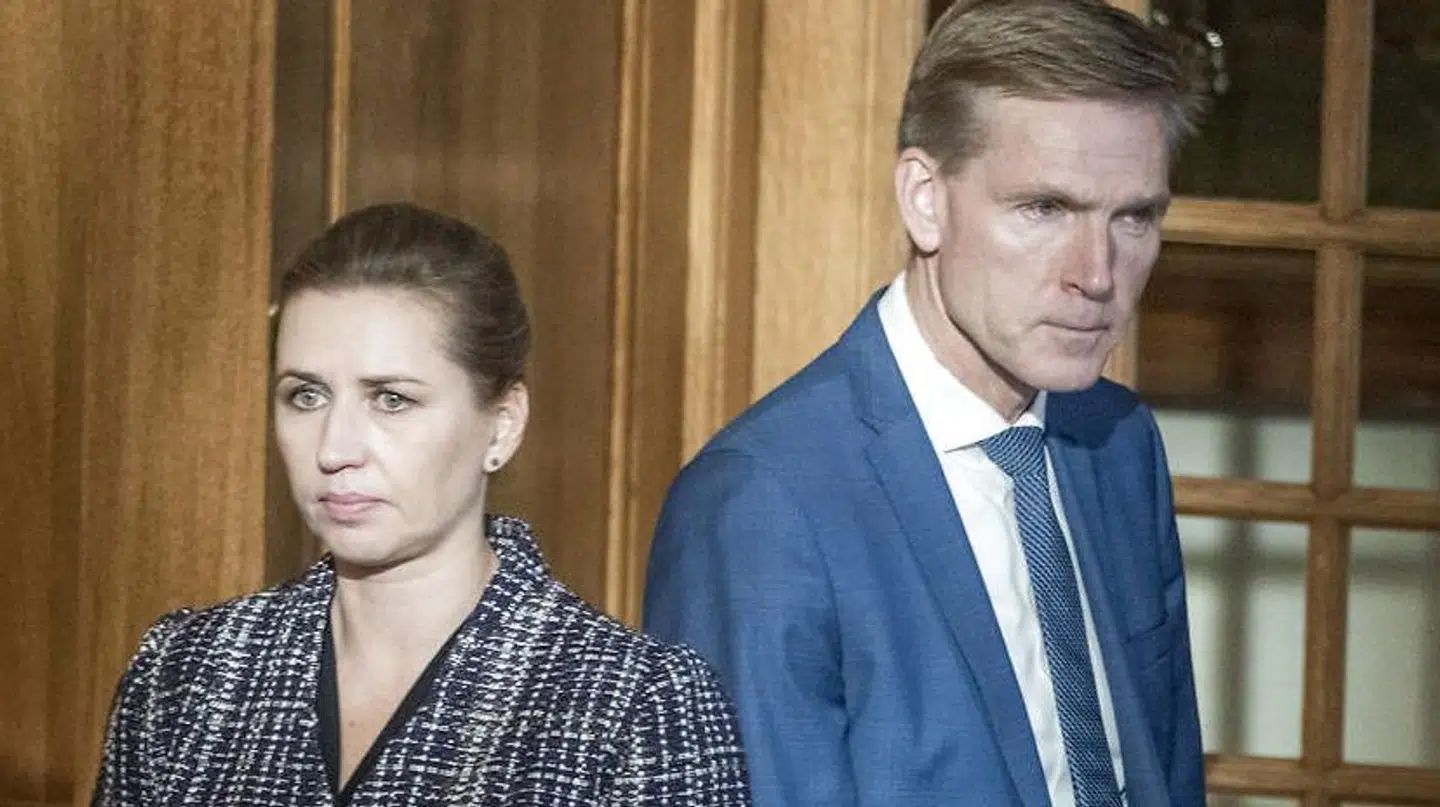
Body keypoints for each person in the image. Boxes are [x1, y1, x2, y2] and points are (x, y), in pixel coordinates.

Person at [644, 1, 1207, 805]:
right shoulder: (760, 504)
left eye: (1135, 218)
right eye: (1044, 209)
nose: (1095, 273)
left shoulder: (1119, 442)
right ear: (924, 200)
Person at [92, 202, 751, 806]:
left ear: (502, 424)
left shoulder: (633, 707)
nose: (335, 448)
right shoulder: (185, 676)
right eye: (306, 396)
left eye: (392, 399)